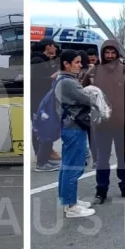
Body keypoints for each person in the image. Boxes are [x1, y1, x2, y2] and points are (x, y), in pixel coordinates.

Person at [82, 38, 125, 204]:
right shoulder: (93, 72)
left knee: (123, 157)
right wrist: (93, 114)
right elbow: (84, 94)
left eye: (112, 52)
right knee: (102, 158)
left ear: (117, 53)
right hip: (101, 124)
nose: (109, 55)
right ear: (102, 53)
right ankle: (101, 191)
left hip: (122, 123)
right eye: (106, 52)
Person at [53, 50, 95, 218]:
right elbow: (88, 99)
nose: (80, 66)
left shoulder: (62, 79)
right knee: (74, 166)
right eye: (77, 62)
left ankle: (68, 200)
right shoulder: (68, 82)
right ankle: (71, 206)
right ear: (66, 64)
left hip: (68, 126)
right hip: (74, 127)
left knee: (67, 166)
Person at [31, 40, 60, 171]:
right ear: (48, 47)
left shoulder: (49, 60)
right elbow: (35, 81)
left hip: (45, 99)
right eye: (54, 46)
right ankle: (41, 159)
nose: (55, 49)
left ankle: (45, 157)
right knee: (40, 128)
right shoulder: (37, 60)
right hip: (38, 100)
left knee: (46, 126)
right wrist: (52, 77)